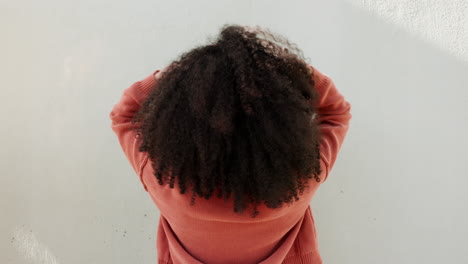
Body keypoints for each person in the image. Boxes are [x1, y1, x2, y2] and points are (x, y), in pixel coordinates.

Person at [109, 24, 352, 264]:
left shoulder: (163, 180)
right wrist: (290, 70)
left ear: (179, 124)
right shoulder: (302, 179)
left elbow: (124, 113)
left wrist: (175, 75)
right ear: (283, 124)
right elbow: (336, 112)